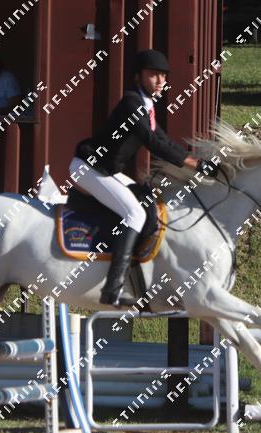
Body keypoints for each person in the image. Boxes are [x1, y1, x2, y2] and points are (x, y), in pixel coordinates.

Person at [70, 49, 220, 306]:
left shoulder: (146, 105)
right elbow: (152, 142)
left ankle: (136, 278)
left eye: (164, 75)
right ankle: (113, 288)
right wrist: (196, 165)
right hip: (88, 167)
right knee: (135, 215)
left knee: (147, 202)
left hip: (106, 170)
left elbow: (163, 139)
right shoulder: (131, 103)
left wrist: (198, 163)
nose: (161, 81)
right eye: (154, 75)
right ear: (138, 77)